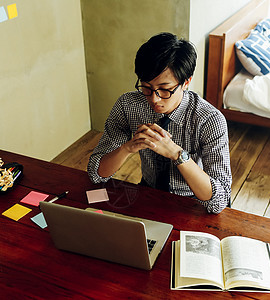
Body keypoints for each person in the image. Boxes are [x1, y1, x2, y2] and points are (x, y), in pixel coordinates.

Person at [87, 32, 232, 214]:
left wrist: (177, 154)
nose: (154, 99)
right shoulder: (128, 105)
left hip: (194, 204)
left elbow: (220, 201)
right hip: (148, 194)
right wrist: (127, 148)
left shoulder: (209, 120)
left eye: (164, 89)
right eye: (146, 87)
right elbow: (95, 173)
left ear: (186, 82)